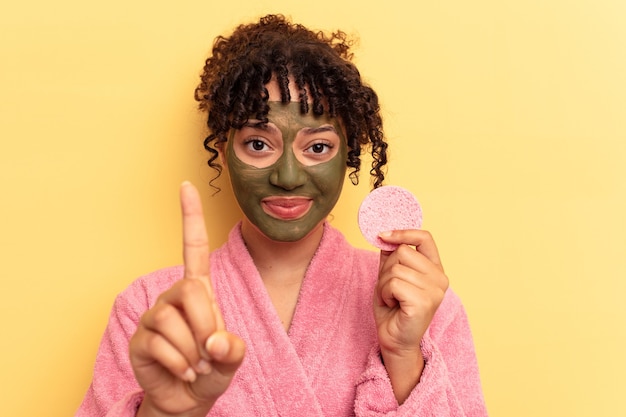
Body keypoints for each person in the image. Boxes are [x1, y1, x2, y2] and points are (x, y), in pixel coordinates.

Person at [77, 14, 488, 417]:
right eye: (258, 144)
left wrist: (403, 356)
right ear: (223, 150)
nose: (287, 176)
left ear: (349, 154)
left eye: (318, 147)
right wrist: (163, 413)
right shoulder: (151, 308)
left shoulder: (419, 302)